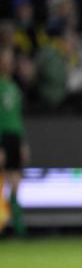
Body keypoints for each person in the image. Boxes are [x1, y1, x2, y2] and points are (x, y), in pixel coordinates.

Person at [0, 45, 29, 236]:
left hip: (15, 137)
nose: (8, 63)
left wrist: (23, 143)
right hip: (2, 137)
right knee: (2, 182)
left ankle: (18, 226)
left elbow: (18, 116)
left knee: (16, 182)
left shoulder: (14, 87)